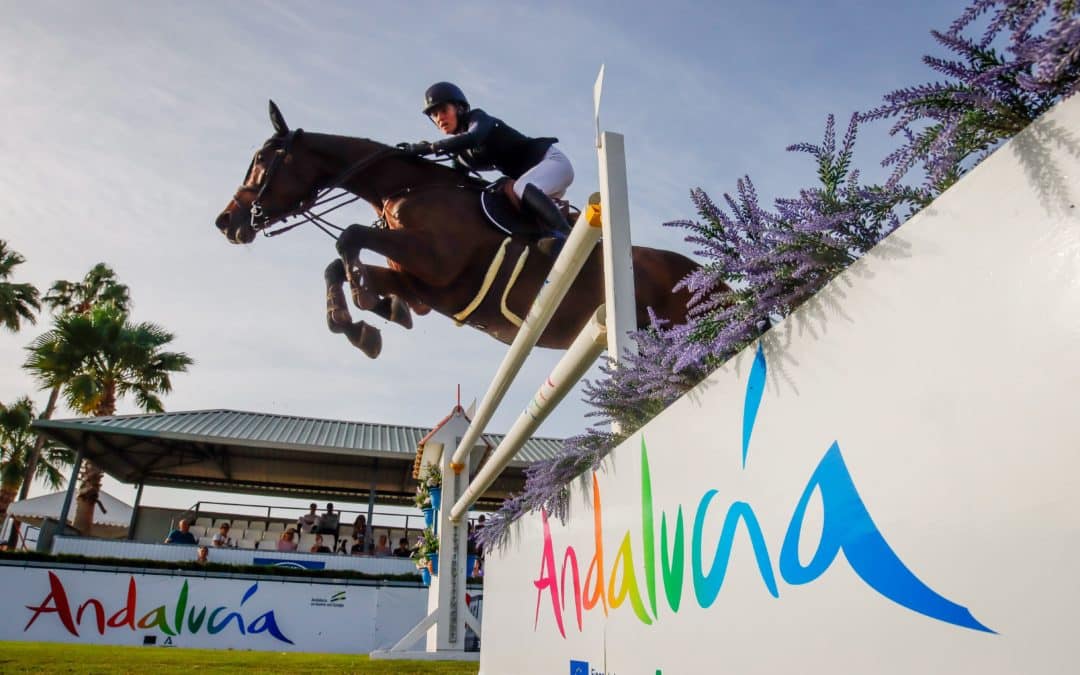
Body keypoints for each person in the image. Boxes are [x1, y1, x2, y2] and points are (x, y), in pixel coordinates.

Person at [399, 82, 574, 244]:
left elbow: (473, 137)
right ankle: (545, 242)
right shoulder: (461, 156)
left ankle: (566, 235)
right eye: (434, 115)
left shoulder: (478, 118)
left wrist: (429, 148)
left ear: (459, 108)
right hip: (538, 186)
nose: (439, 118)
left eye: (443, 110)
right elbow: (455, 182)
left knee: (519, 187)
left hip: (552, 163)